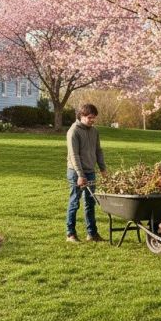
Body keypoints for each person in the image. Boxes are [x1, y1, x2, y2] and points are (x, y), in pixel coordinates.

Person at [66, 103, 107, 243]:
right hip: (75, 172)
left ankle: (92, 234)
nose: (92, 120)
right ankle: (70, 234)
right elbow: (74, 155)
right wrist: (80, 175)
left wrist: (103, 169)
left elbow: (98, 151)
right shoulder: (73, 131)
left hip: (90, 171)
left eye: (94, 118)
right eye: (89, 118)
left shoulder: (94, 131)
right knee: (74, 202)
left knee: (90, 203)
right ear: (81, 116)